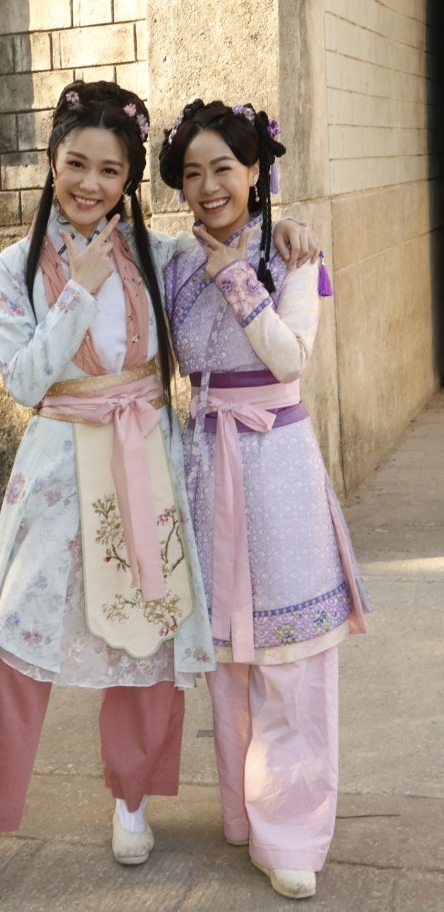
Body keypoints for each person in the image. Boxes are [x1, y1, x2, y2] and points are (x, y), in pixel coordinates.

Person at [0, 81, 317, 886]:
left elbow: (233, 243)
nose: (90, 184)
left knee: (146, 649)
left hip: (147, 466)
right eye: (76, 164)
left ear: (128, 180)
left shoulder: (161, 256)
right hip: (58, 468)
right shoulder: (15, 268)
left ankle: (132, 802)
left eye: (111, 171)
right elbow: (23, 379)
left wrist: (284, 229)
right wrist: (76, 288)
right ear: (52, 161)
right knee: (15, 651)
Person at [158, 99, 371, 900]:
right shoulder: (172, 262)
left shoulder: (293, 258)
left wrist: (237, 276)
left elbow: (290, 360)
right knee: (228, 661)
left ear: (255, 170)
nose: (209, 186)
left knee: (293, 656)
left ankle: (294, 832)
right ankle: (246, 814)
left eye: (224, 167)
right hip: (206, 462)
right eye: (192, 173)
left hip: (278, 462)